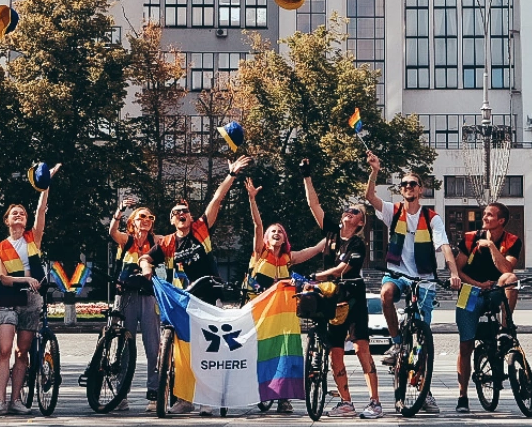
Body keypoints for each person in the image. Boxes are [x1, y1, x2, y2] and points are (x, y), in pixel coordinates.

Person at [363, 152, 459, 416]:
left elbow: (444, 246)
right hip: (397, 272)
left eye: (412, 184)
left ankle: (425, 390)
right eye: (404, 184)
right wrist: (374, 171)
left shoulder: (432, 217)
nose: (407, 187)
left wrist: (453, 273)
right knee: (386, 294)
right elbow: (370, 197)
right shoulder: (393, 211)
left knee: (423, 341)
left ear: (421, 189)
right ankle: (396, 342)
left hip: (424, 277)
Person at [302, 157, 382, 419]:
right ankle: (346, 402)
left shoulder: (357, 244)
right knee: (335, 351)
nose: (350, 211)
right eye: (348, 209)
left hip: (352, 296)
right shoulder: (332, 234)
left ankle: (375, 401)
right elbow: (313, 205)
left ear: (360, 223)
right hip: (332, 297)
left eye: (356, 212)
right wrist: (307, 176)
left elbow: (341, 270)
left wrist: (316, 275)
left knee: (361, 347)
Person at [243, 177, 326, 414]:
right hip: (258, 313)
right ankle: (254, 390)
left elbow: (315, 250)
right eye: (273, 231)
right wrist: (252, 200)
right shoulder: (260, 252)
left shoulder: (289, 258)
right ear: (266, 238)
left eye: (280, 231)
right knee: (259, 353)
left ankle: (283, 398)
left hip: (282, 316)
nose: (276, 233)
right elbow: (258, 225)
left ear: (285, 237)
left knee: (285, 353)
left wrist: (335, 233)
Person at [0, 164, 58, 416]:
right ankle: (0, 400)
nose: (19, 215)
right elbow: (3, 278)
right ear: (6, 220)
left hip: (32, 300)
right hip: (9, 299)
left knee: (22, 351)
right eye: (14, 213)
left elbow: (41, 211)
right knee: (5, 350)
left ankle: (16, 399)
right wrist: (26, 279)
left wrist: (45, 184)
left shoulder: (32, 238)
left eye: (22, 214)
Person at [148, 155, 252, 302]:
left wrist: (231, 174)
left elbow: (217, 199)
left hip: (210, 294)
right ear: (171, 221)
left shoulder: (200, 228)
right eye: (176, 212)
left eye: (185, 211)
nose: (181, 213)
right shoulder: (167, 242)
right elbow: (145, 258)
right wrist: (145, 266)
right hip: (182, 299)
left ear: (191, 217)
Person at [449, 202, 521, 413]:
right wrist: (477, 284)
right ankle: (462, 396)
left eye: (490, 215)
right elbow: (458, 270)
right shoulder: (470, 238)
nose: (485, 218)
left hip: (495, 289)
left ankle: (505, 329)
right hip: (469, 291)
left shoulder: (512, 240)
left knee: (511, 279)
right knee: (466, 345)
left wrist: (490, 246)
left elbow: (506, 269)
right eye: (485, 214)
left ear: (501, 221)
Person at [107, 197, 162, 412]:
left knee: (153, 347)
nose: (146, 220)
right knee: (124, 347)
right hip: (127, 296)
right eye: (142, 217)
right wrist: (119, 210)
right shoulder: (127, 240)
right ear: (133, 222)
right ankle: (121, 395)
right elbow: (112, 232)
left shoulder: (156, 241)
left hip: (148, 296)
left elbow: (173, 241)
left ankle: (154, 394)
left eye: (150, 217)